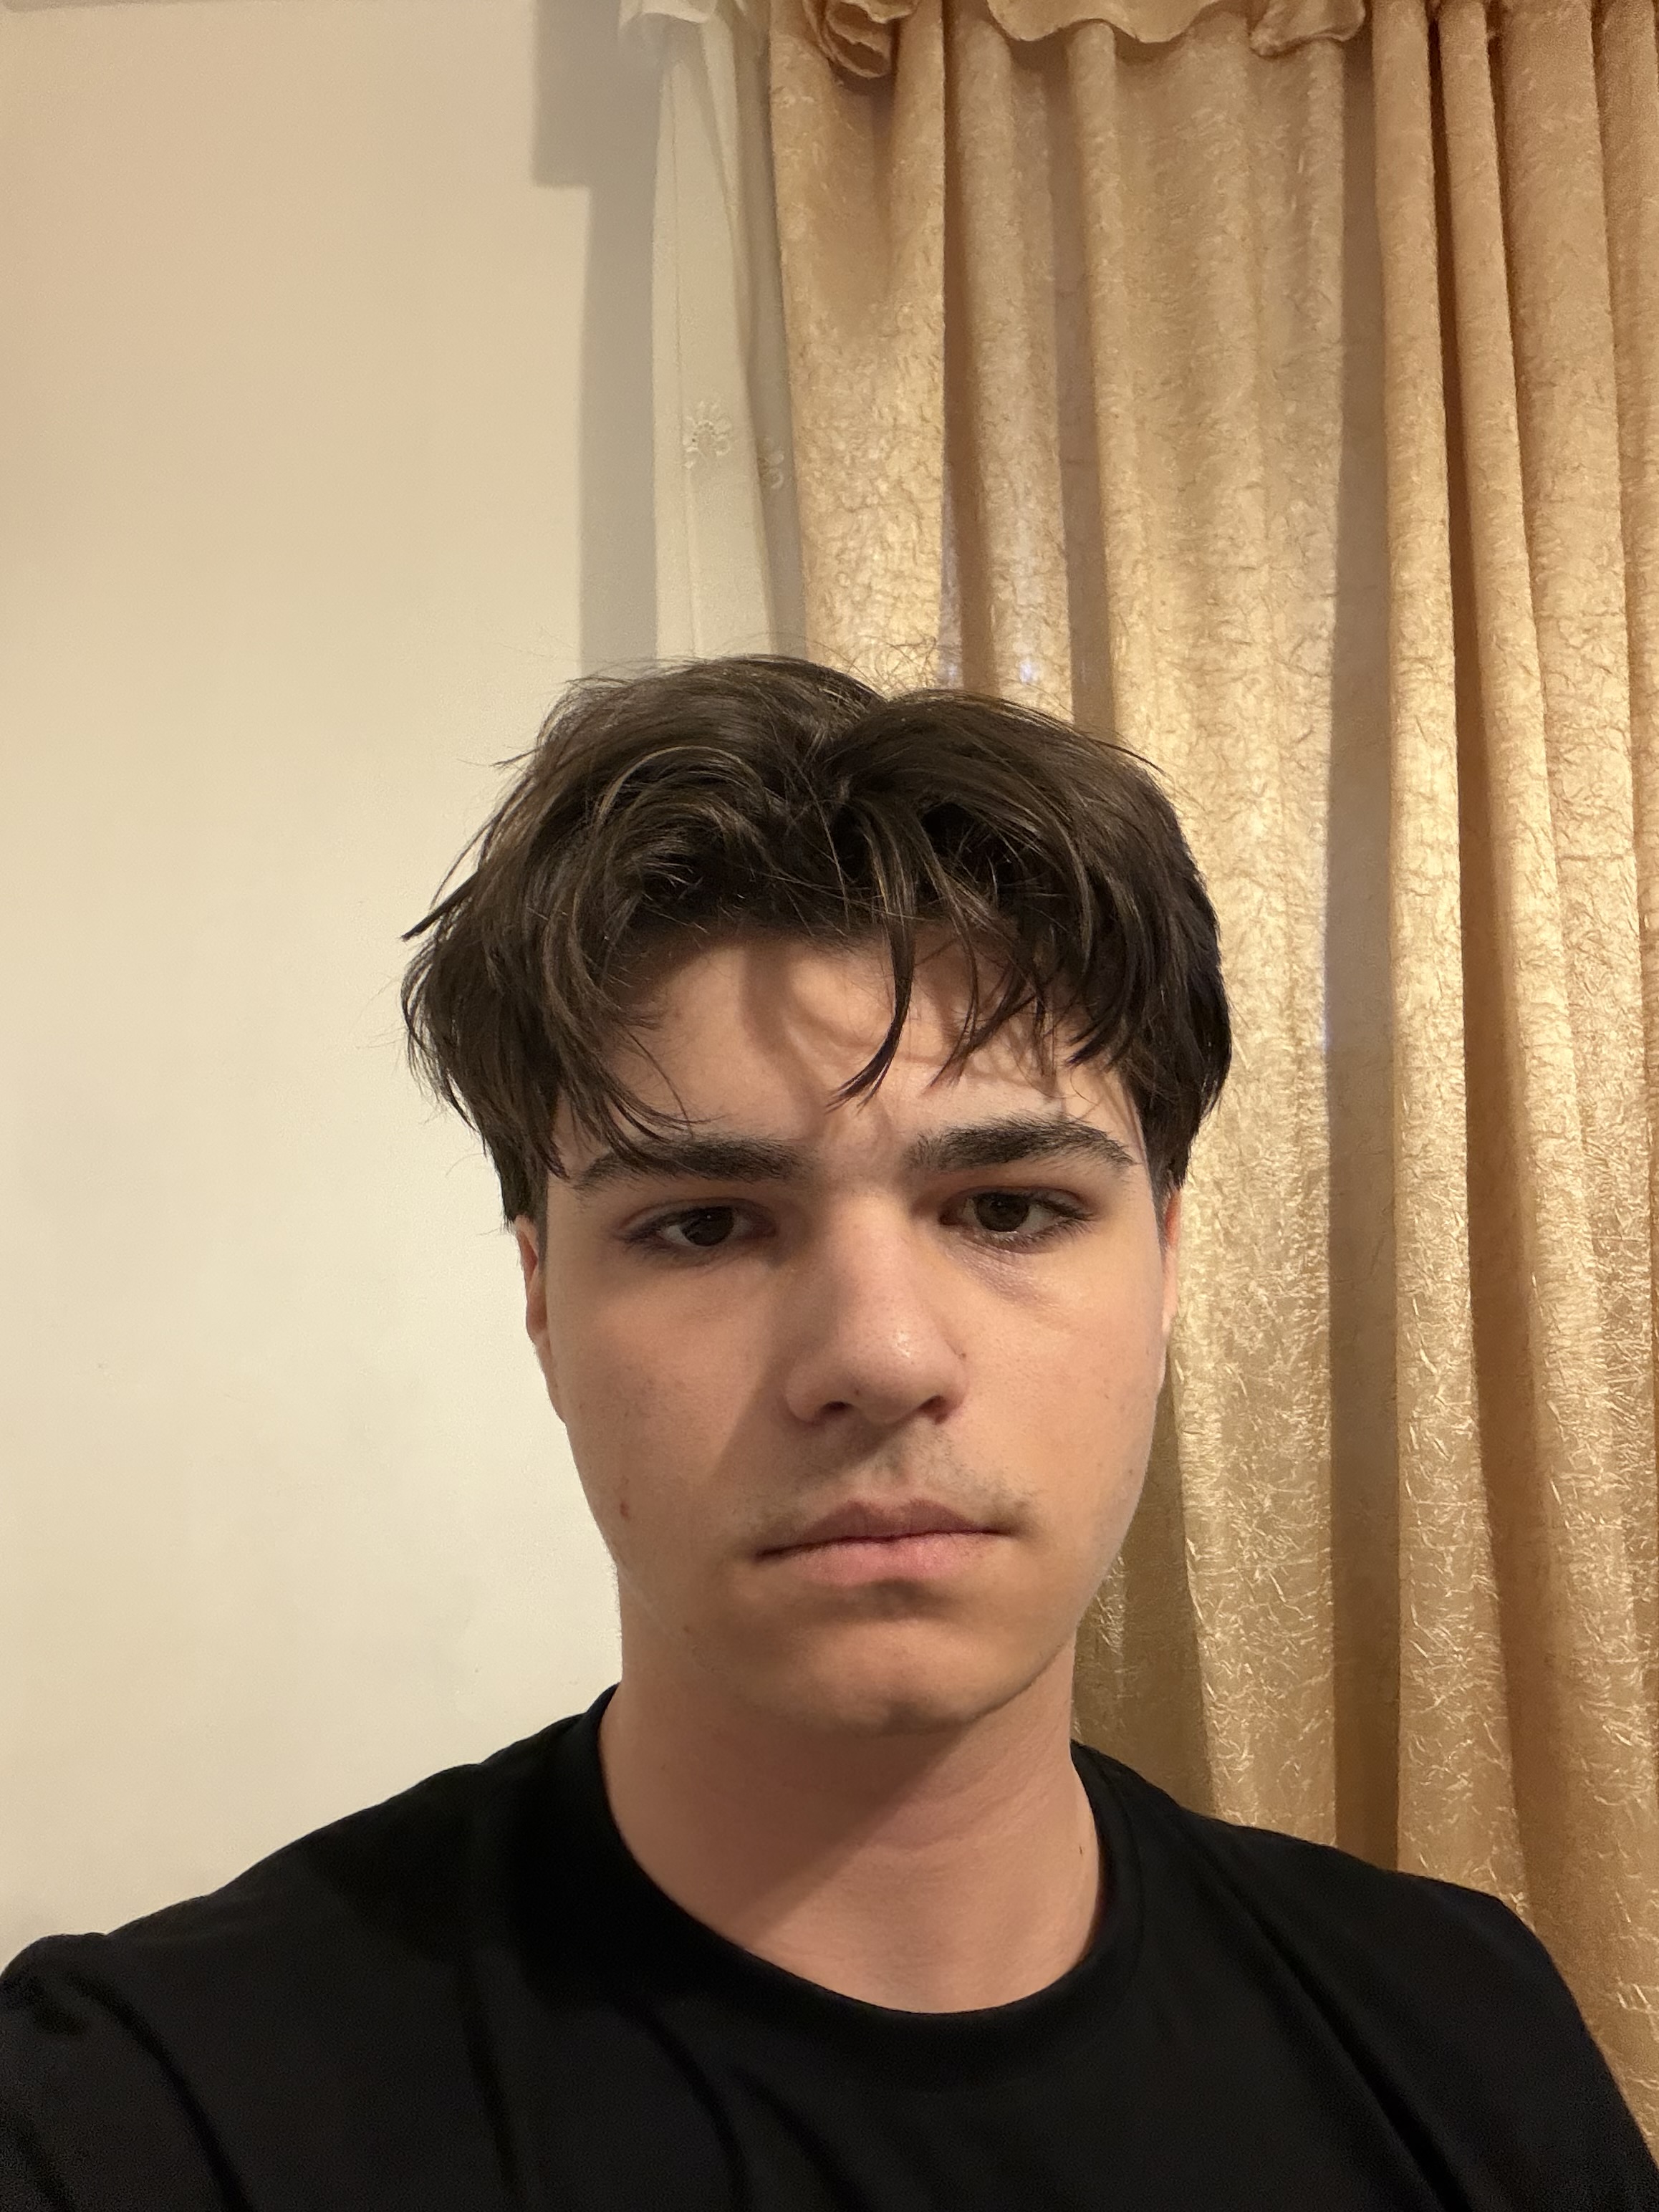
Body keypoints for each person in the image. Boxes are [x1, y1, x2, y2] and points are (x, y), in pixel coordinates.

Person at [3, 655, 1655, 2211]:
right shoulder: (146, 2113)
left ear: (1165, 1265)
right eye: (706, 1224)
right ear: (543, 1302)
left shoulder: (1464, 2030)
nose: (878, 1354)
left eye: (1007, 1206)